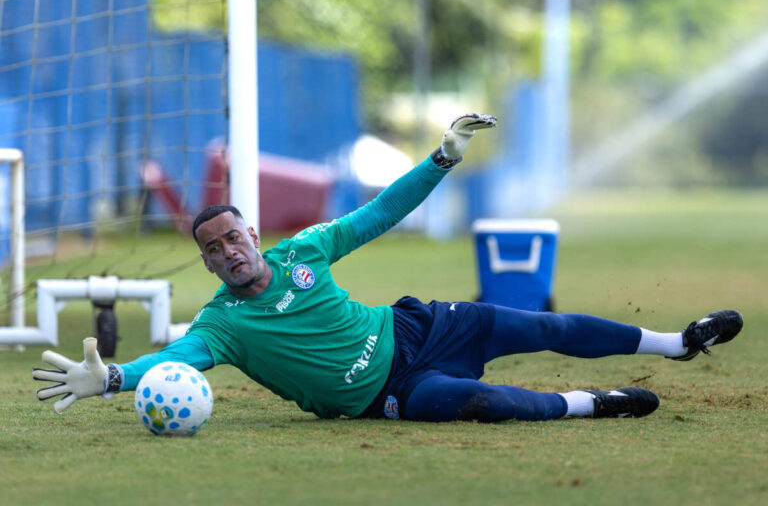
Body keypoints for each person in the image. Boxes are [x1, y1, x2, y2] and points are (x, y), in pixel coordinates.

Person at [33, 113, 744, 422]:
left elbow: (376, 215)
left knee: (544, 323)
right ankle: (597, 404)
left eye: (233, 238)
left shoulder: (303, 250)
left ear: (252, 234)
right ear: (209, 263)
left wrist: (441, 159)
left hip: (417, 329)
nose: (228, 252)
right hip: (387, 395)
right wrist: (118, 378)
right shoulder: (224, 326)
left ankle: (675, 343)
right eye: (213, 250)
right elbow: (178, 356)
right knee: (479, 406)